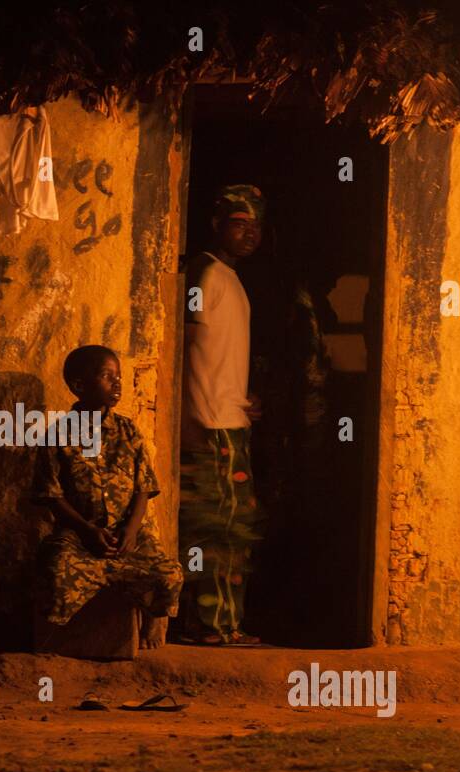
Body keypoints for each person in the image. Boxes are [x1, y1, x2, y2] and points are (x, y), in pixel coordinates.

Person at [31, 345, 183, 649]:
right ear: (79, 386)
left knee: (170, 574)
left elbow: (143, 487)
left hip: (128, 537)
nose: (117, 384)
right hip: (79, 537)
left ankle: (152, 612)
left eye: (119, 377)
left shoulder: (128, 431)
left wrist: (130, 530)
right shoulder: (57, 434)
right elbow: (51, 495)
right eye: (106, 376)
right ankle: (66, 636)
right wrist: (86, 531)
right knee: (55, 574)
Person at [179, 184, 268, 645]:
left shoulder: (231, 280)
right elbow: (185, 342)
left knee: (234, 530)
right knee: (212, 529)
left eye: (255, 226)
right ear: (217, 225)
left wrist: (244, 396)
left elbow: (219, 355)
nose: (249, 233)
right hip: (208, 424)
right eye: (239, 223)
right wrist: (186, 416)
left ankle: (227, 625)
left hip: (232, 423)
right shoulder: (203, 274)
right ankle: (207, 627)